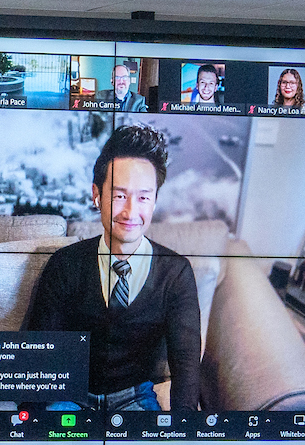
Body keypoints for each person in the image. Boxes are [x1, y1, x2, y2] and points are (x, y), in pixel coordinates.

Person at [22, 123, 205, 413]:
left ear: (155, 200)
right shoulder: (65, 265)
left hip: (136, 397)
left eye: (144, 197)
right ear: (97, 195)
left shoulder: (176, 273)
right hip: (69, 393)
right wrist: (31, 431)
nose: (131, 212)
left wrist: (181, 437)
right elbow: (38, 357)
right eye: (119, 195)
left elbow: (186, 368)